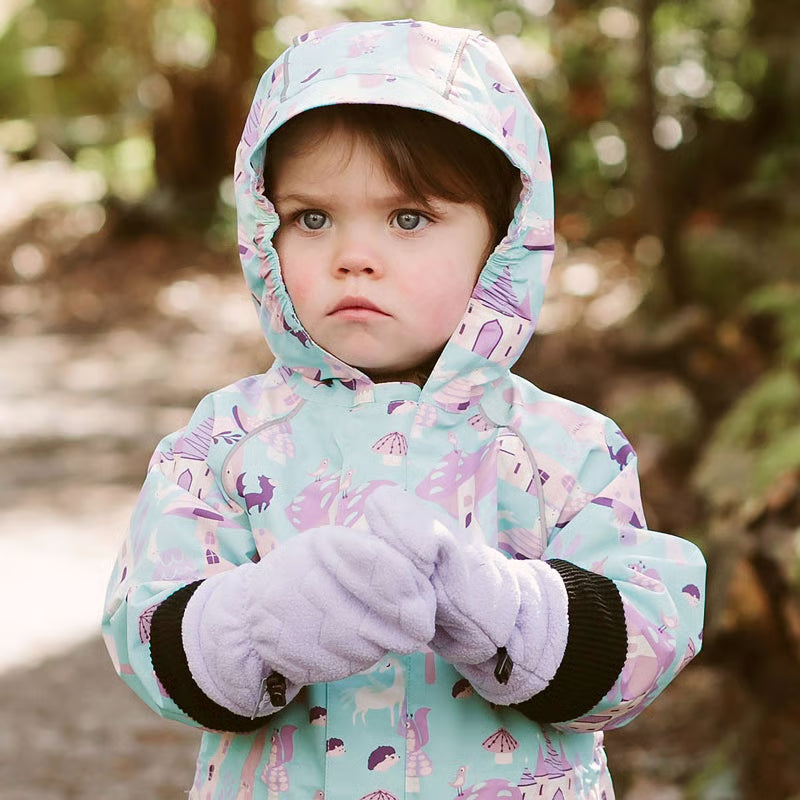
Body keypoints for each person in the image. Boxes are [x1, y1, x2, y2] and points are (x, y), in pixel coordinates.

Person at [102, 18, 706, 800]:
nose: (353, 256)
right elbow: (145, 632)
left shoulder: (565, 450)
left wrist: (515, 614)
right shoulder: (223, 443)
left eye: (408, 218)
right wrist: (258, 622)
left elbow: (649, 634)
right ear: (263, 231)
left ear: (503, 241)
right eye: (312, 218)